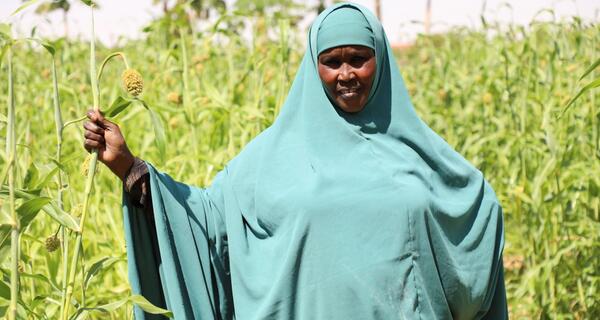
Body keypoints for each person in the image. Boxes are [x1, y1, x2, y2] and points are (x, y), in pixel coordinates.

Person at [83, 3, 507, 319]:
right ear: (313, 66)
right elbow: (208, 223)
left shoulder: (418, 152)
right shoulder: (272, 156)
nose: (346, 74)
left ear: (381, 59)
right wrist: (130, 167)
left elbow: (469, 216)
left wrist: (482, 213)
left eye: (358, 59)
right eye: (331, 61)